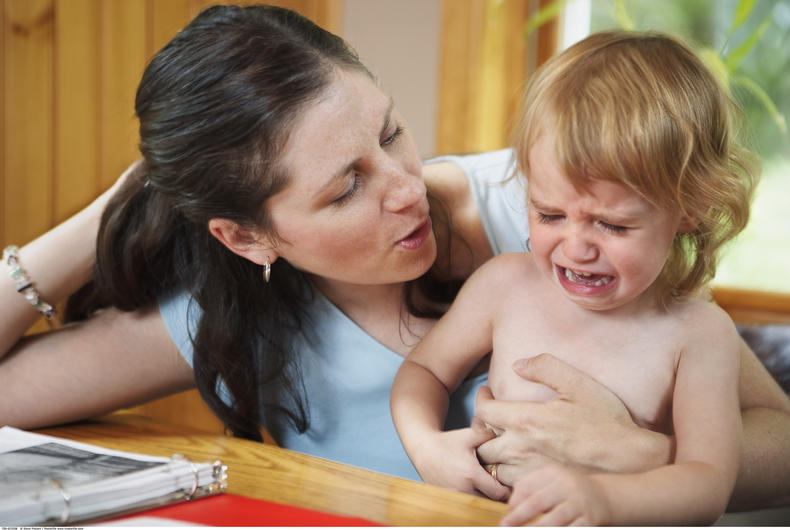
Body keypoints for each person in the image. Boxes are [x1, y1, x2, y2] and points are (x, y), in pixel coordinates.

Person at [0, 4, 788, 513]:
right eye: (345, 190)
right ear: (247, 238)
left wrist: (646, 456)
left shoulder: (549, 213)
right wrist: (117, 208)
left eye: (387, 133)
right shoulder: (225, 306)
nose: (408, 190)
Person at [390, 31, 761, 525]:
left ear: (689, 209)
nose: (577, 248)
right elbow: (424, 373)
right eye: (549, 215)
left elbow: (707, 483)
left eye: (613, 224)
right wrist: (427, 446)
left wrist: (604, 501)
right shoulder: (505, 285)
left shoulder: (700, 334)